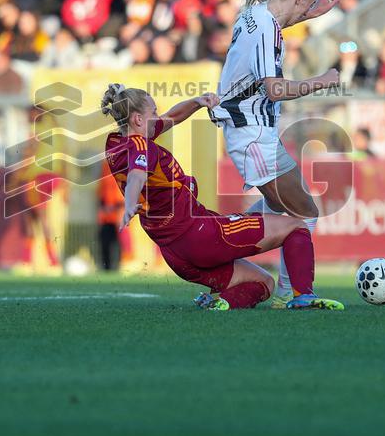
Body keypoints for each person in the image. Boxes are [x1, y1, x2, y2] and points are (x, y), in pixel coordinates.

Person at [103, 84, 342, 310]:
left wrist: (197, 102)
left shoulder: (115, 144)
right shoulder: (141, 146)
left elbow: (170, 119)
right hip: (199, 236)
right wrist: (130, 202)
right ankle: (304, 296)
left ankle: (222, 302)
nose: (158, 115)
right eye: (153, 110)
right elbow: (137, 173)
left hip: (176, 256)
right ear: (137, 119)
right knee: (296, 226)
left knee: (263, 283)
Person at [211, 0, 342, 308]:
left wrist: (310, 15)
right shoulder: (267, 30)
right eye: (306, 6)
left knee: (276, 209)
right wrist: (321, 82)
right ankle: (291, 292)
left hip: (248, 131)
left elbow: (274, 28)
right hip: (252, 134)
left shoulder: (254, 13)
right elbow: (274, 89)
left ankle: (217, 251)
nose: (305, 13)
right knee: (304, 212)